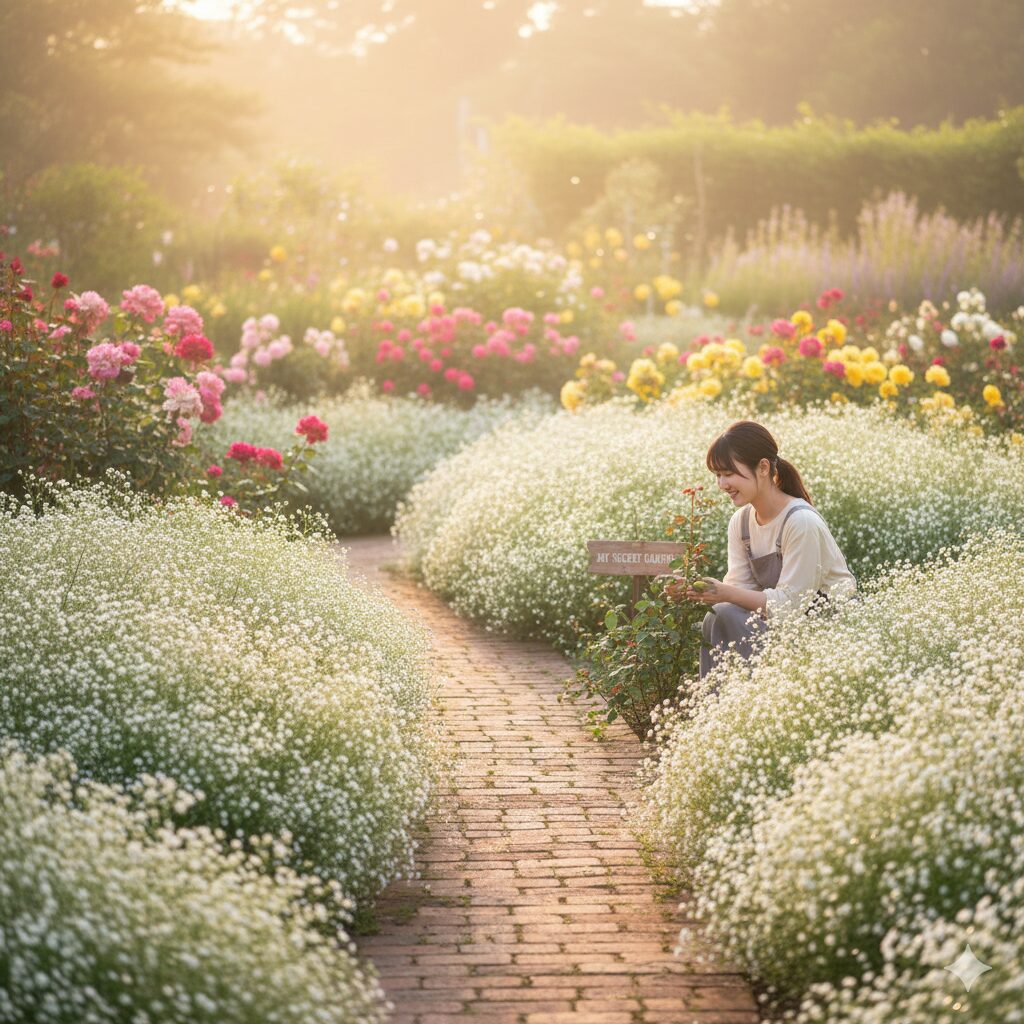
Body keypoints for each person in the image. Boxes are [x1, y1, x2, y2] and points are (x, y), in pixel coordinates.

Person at [666, 419, 858, 679]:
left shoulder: (801, 522)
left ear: (763, 467)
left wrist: (724, 592)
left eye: (729, 473)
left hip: (826, 632)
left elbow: (791, 607)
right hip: (783, 627)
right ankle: (718, 707)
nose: (722, 484)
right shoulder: (742, 522)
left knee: (722, 614)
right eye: (717, 476)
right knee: (720, 614)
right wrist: (696, 589)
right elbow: (739, 594)